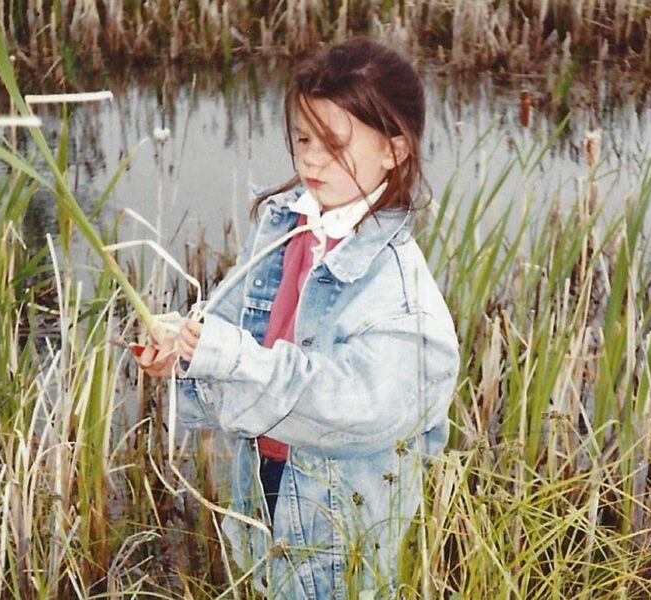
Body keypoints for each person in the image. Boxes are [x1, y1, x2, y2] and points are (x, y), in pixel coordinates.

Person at [136, 37, 460, 599]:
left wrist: (228, 357)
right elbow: (236, 325)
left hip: (338, 511)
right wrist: (186, 348)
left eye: (334, 145)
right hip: (263, 479)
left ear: (395, 149)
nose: (310, 159)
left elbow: (350, 408)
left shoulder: (402, 294)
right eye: (304, 139)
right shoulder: (286, 227)